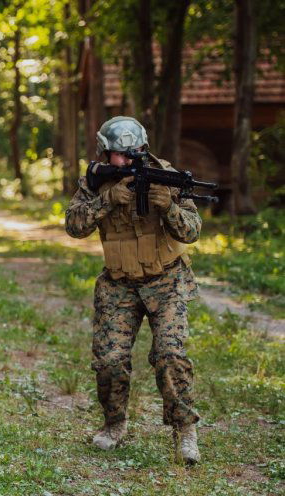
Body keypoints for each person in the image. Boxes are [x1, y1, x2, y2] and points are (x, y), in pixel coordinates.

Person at [65, 116, 202, 464]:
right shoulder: (95, 182)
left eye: (134, 154)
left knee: (171, 355)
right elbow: (74, 226)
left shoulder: (166, 177)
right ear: (104, 153)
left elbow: (191, 231)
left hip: (166, 280)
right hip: (119, 283)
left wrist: (168, 207)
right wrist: (107, 200)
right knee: (110, 360)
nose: (126, 161)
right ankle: (114, 424)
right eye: (119, 156)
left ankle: (185, 431)